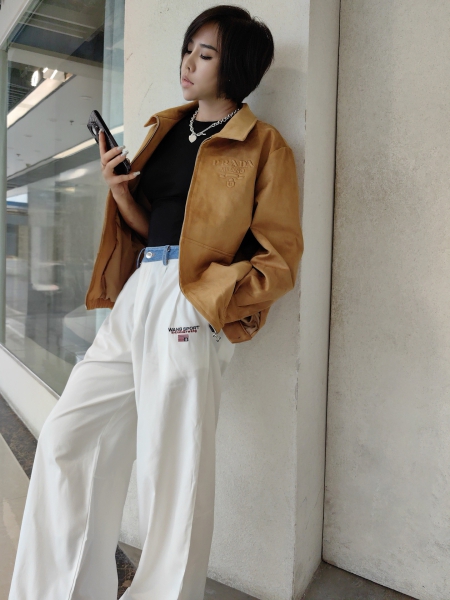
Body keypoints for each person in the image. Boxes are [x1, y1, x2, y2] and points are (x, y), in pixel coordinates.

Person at [8, 5, 303, 600]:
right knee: (68, 438)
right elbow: (153, 228)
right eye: (188, 49)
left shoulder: (263, 145)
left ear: (235, 67)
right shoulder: (168, 129)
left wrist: (211, 299)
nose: (187, 63)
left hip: (191, 301)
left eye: (205, 54)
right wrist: (119, 192)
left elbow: (280, 258)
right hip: (141, 288)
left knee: (176, 467)